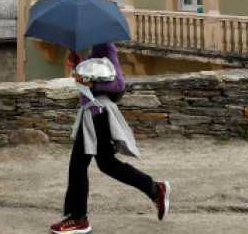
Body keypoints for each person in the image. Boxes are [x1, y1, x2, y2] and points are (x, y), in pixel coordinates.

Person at [50, 41, 170, 233]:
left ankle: (78, 218)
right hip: (93, 114)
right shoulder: (94, 48)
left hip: (98, 114)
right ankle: (155, 189)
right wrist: (77, 63)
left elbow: (118, 83)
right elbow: (97, 75)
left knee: (78, 165)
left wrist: (90, 83)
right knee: (107, 163)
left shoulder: (105, 47)